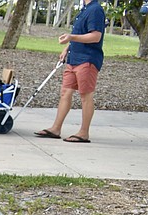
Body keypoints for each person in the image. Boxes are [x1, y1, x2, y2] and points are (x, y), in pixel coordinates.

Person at [34, 0, 105, 143]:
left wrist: (71, 37)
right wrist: (67, 48)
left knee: (85, 95)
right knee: (65, 92)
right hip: (73, 58)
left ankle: (84, 133)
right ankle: (56, 128)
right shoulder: (85, 9)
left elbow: (96, 36)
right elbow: (80, 33)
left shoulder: (95, 9)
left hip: (87, 59)